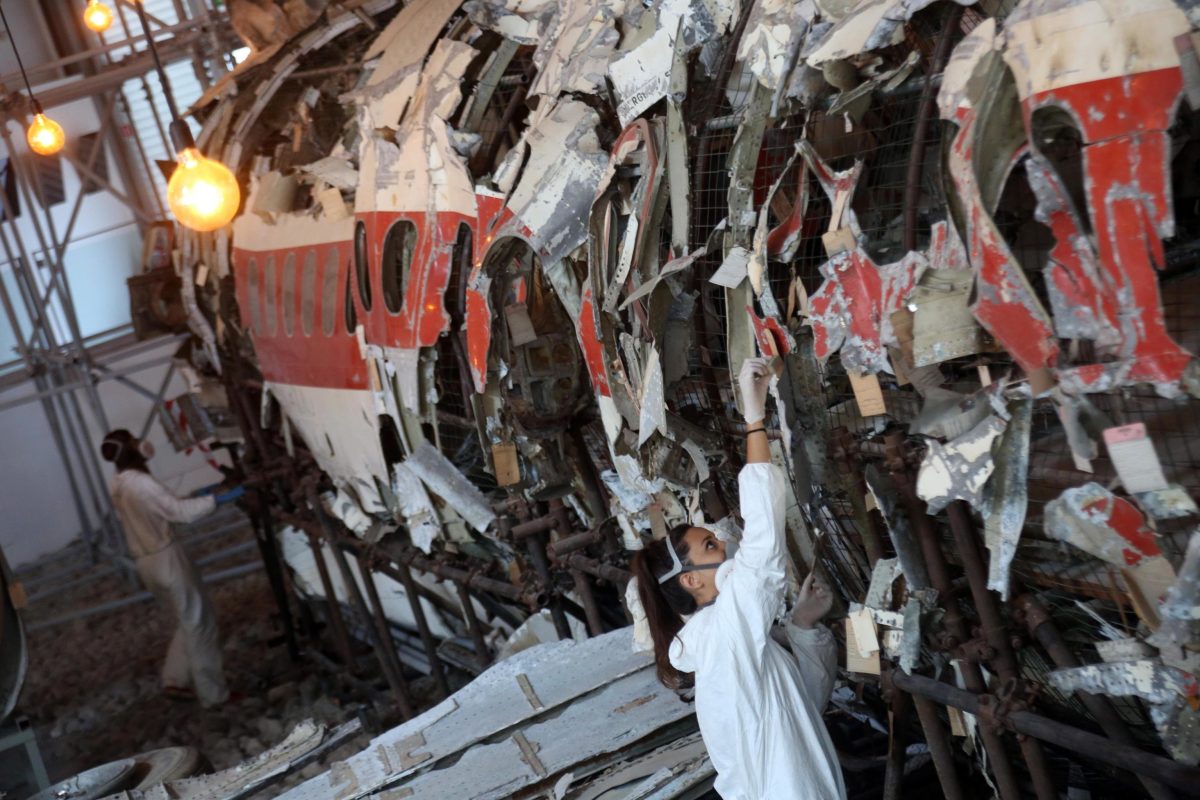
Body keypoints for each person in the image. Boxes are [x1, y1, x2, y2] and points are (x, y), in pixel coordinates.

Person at [630, 358, 846, 800]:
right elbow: (764, 547)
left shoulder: (725, 644)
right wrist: (753, 417)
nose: (724, 546)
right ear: (691, 580)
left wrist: (802, 628)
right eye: (710, 547)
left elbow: (802, 705)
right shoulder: (723, 632)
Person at [101, 429, 244, 707]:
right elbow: (180, 513)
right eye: (134, 440)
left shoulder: (117, 483)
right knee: (199, 623)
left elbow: (161, 507)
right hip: (167, 558)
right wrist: (218, 499)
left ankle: (174, 679)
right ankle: (214, 696)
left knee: (184, 619)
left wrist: (199, 495)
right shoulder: (141, 482)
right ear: (133, 449)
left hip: (145, 564)